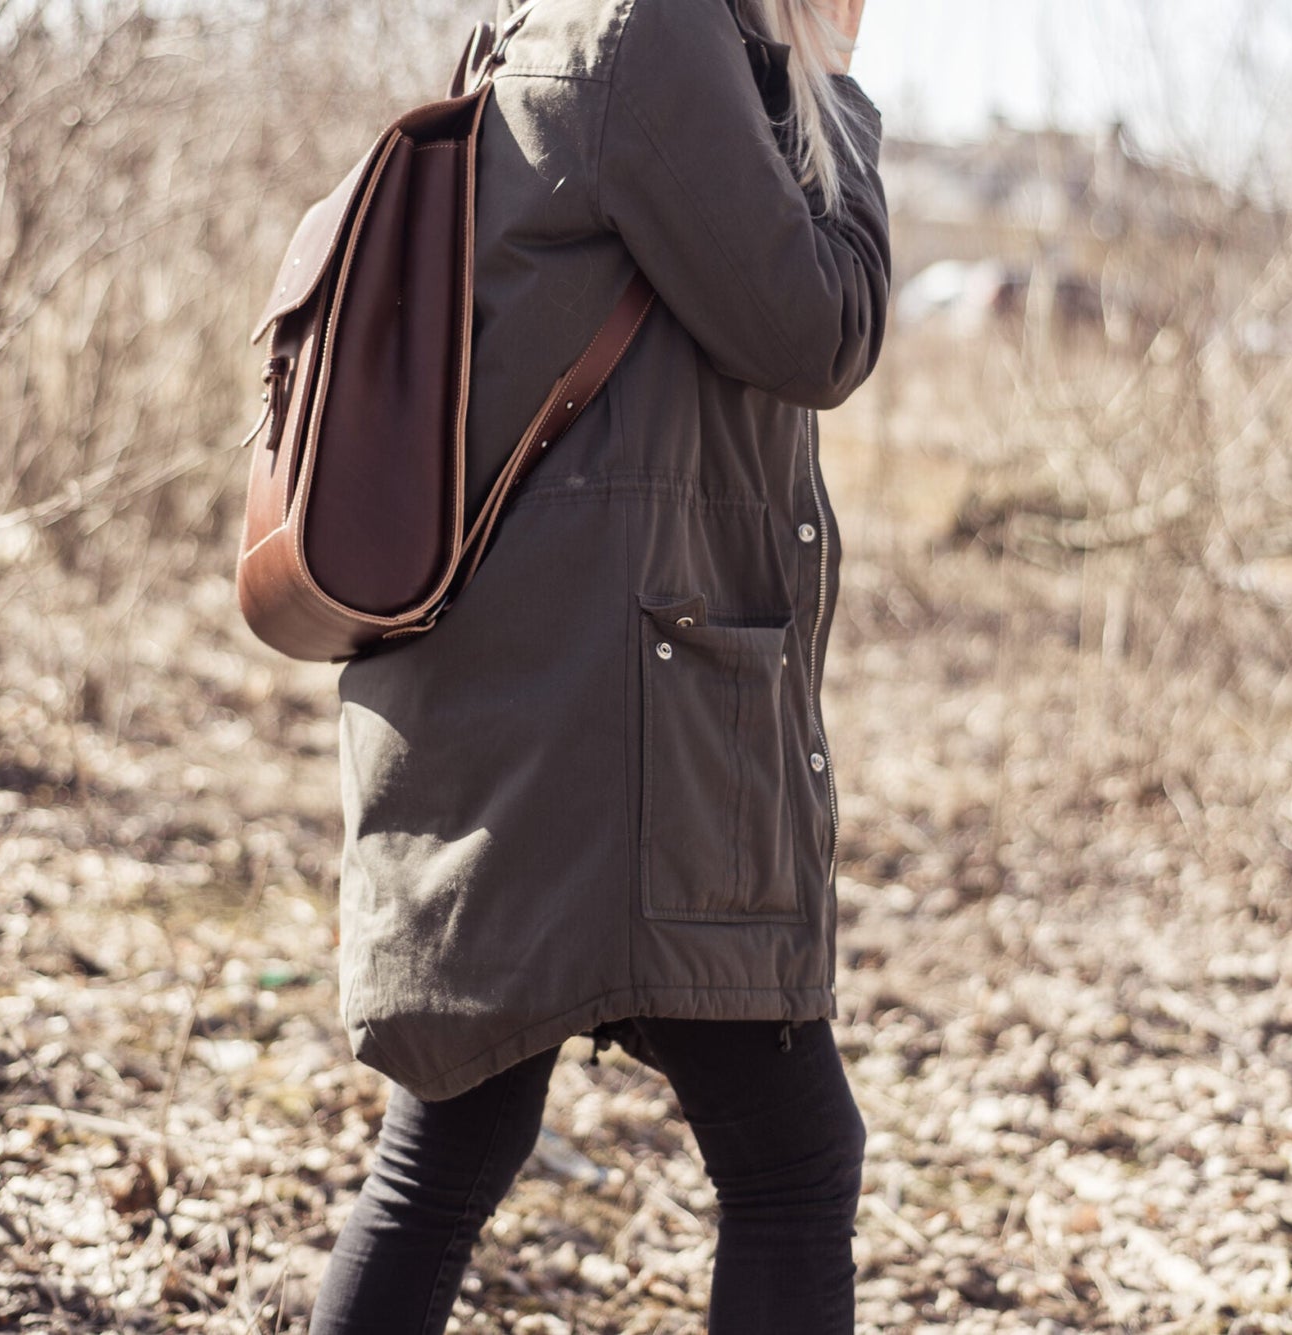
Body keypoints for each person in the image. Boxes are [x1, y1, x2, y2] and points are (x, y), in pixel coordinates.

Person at [310, 0, 888, 1329]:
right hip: (622, 721)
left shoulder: (564, 21)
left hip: (532, 688)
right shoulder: (655, 32)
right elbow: (818, 330)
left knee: (447, 1150)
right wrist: (836, 96)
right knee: (794, 1164)